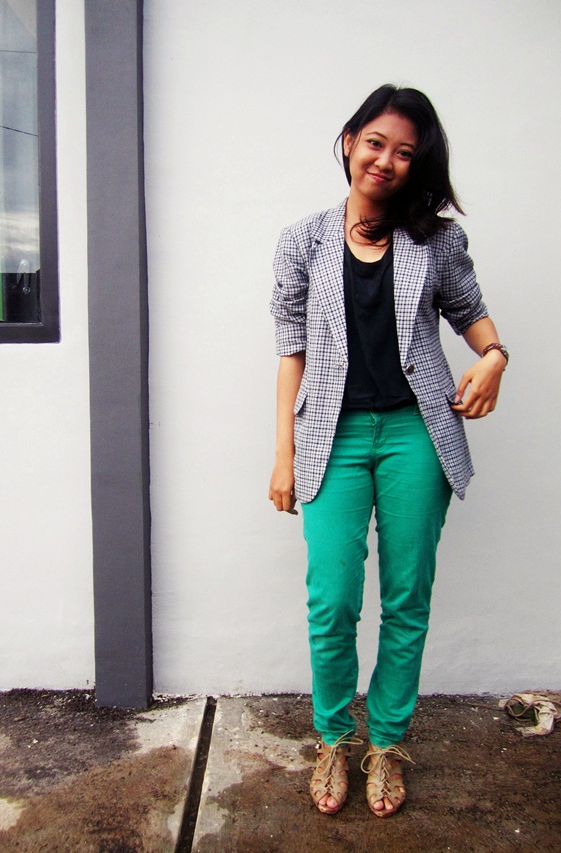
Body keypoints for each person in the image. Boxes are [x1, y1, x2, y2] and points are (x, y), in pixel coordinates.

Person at [268, 84, 507, 818]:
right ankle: (334, 737)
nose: (386, 160)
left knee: (406, 598)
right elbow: (291, 350)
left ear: (417, 164)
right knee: (332, 599)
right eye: (375, 142)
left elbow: (471, 314)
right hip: (331, 436)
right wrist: (283, 453)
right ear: (350, 142)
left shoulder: (437, 241)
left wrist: (496, 356)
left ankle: (388, 743)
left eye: (405, 152)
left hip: (415, 434)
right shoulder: (301, 241)